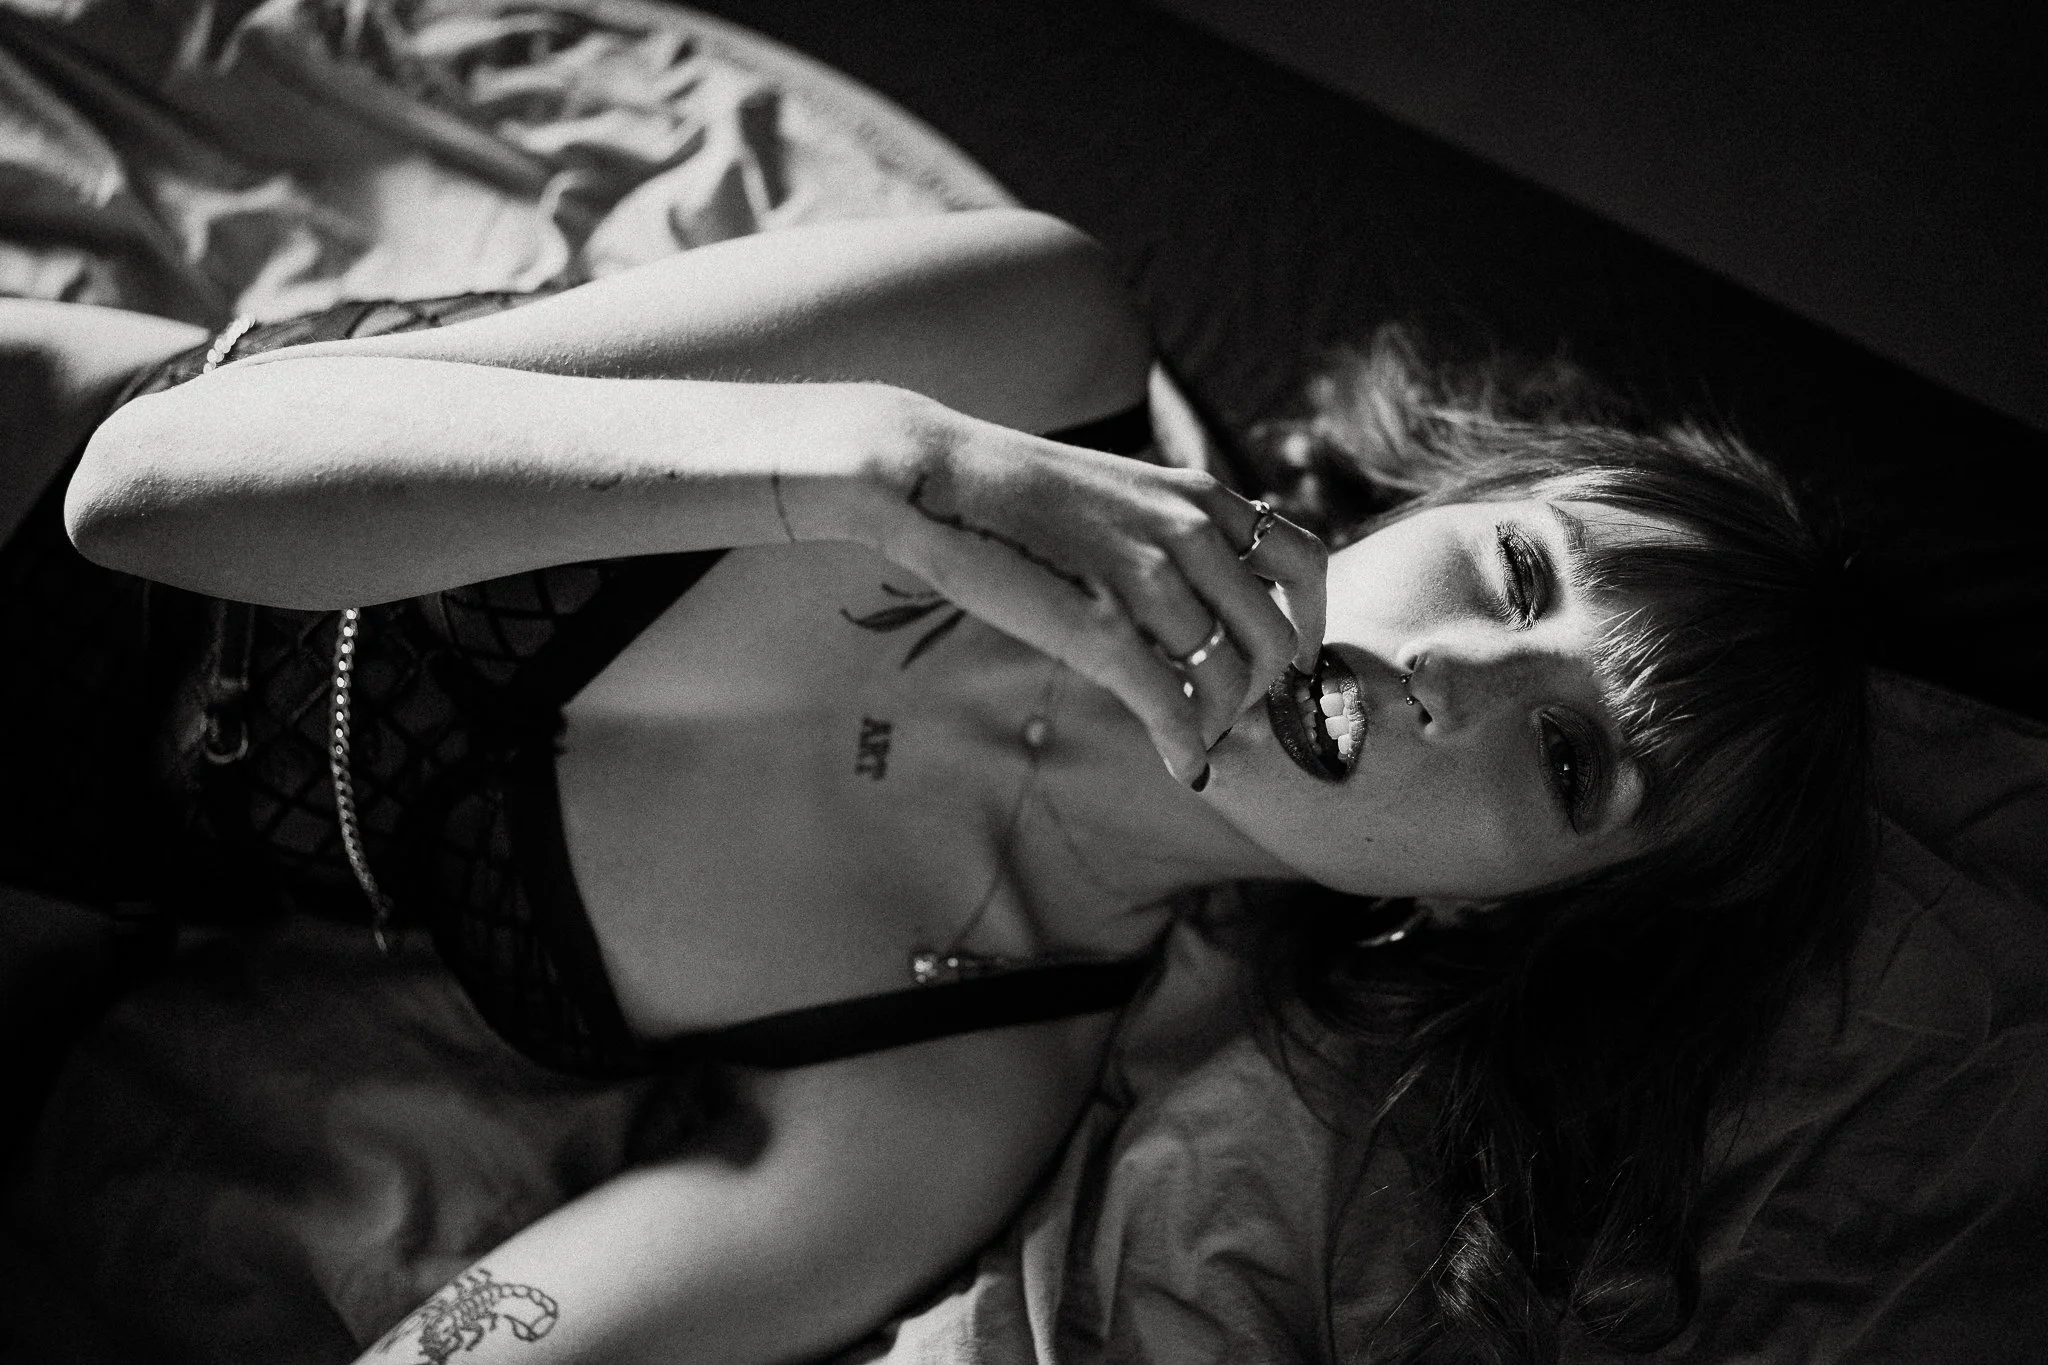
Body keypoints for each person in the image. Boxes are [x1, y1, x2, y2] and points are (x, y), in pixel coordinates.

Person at [3, 208, 1865, 1364]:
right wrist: (874, 469)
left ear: (1475, 908)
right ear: (1431, 507)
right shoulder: (1032, 347)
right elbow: (144, 492)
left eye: (1570, 758)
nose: (1461, 672)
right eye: (1519, 572)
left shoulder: (957, 1086)